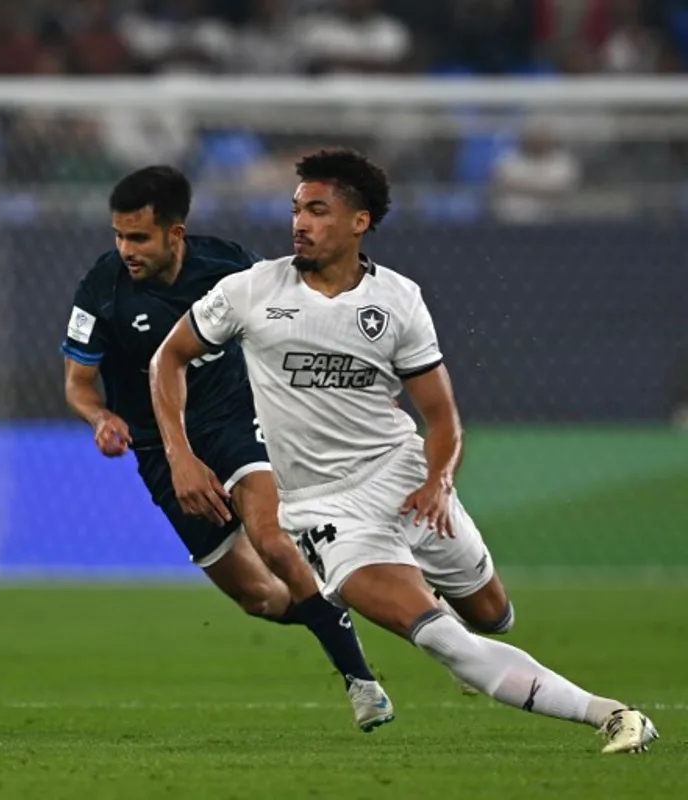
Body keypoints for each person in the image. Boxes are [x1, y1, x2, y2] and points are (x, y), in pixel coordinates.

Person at [149, 148, 657, 754]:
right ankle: (613, 714)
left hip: (404, 478)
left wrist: (439, 481)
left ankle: (457, 618)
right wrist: (180, 452)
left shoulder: (398, 301)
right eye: (296, 210)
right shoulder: (250, 291)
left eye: (317, 210)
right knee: (443, 640)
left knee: (493, 614)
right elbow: (168, 358)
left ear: (359, 222)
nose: (299, 223)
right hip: (326, 510)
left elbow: (442, 418)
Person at [62, 165, 394, 732]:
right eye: (118, 236)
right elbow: (77, 384)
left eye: (138, 237)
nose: (125, 250)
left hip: (234, 419)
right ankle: (342, 605)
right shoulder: (102, 287)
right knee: (260, 597)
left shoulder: (229, 268)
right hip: (155, 446)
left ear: (175, 233)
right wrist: (100, 419)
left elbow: (292, 329)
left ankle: (362, 682)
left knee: (269, 537)